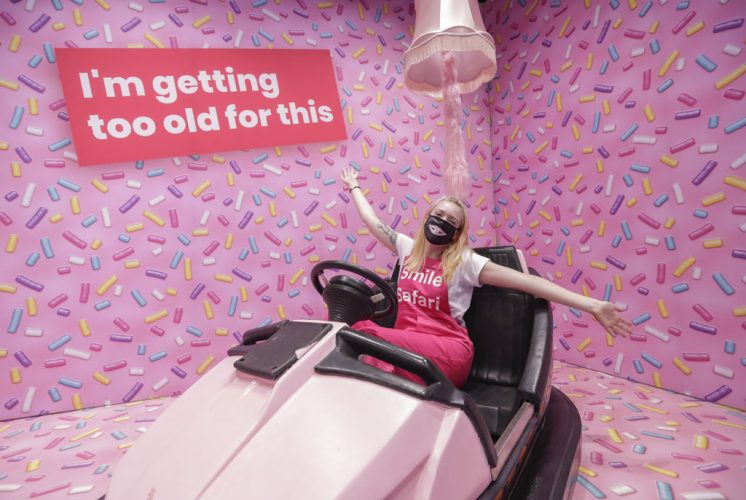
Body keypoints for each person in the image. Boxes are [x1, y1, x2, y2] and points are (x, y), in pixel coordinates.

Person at [340, 167, 633, 387]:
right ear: (427, 216)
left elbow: (528, 282)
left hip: (448, 352)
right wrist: (354, 186)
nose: (442, 222)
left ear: (457, 233)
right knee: (364, 346)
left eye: (451, 221)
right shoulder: (406, 249)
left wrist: (592, 305)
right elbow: (371, 220)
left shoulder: (465, 262)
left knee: (365, 333)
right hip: (405, 347)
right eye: (438, 215)